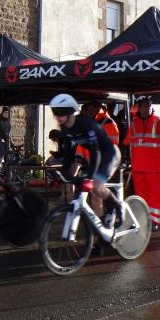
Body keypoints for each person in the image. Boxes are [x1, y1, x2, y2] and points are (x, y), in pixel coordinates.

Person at [49, 94, 121, 227]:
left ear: (70, 113)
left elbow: (95, 151)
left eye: (61, 114)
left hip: (108, 154)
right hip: (95, 158)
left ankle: (117, 206)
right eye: (56, 114)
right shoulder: (65, 129)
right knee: (91, 197)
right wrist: (64, 176)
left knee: (97, 187)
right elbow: (68, 155)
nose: (58, 118)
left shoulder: (86, 124)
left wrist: (90, 176)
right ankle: (100, 230)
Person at [124, 96, 160, 230]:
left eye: (149, 105)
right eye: (145, 106)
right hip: (138, 167)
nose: (148, 108)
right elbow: (127, 141)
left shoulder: (159, 122)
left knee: (154, 195)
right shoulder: (134, 123)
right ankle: (142, 219)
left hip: (153, 167)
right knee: (141, 195)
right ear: (139, 107)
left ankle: (154, 221)